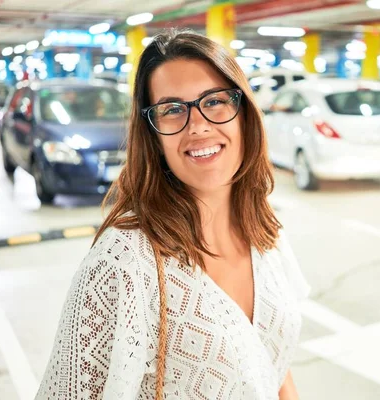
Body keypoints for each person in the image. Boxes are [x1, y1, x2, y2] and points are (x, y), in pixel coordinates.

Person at [35, 28, 310, 400]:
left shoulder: (265, 233)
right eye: (172, 109)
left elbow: (271, 362)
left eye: (214, 101)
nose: (198, 125)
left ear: (243, 112)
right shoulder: (125, 263)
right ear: (153, 136)